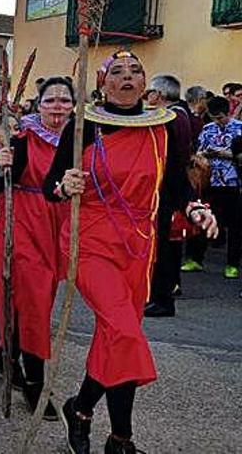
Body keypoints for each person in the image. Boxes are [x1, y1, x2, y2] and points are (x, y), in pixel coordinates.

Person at [43, 51, 217, 454]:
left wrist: (194, 207)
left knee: (115, 336)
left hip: (140, 243)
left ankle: (84, 410)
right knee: (124, 331)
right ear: (103, 83)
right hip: (90, 239)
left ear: (146, 85)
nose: (127, 78)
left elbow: (174, 182)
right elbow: (53, 182)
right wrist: (64, 185)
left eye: (135, 72)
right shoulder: (86, 124)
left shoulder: (165, 127)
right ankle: (121, 439)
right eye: (117, 72)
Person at [0, 76, 74, 420]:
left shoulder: (78, 137)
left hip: (58, 227)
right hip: (22, 225)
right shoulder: (23, 138)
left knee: (38, 301)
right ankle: (36, 383)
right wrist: (1, 164)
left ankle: (5, 351)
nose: (57, 107)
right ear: (39, 105)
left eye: (64, 100)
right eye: (50, 100)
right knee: (34, 303)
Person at [143, 75, 193, 317]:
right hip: (173, 187)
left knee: (163, 245)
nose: (147, 97)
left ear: (159, 94)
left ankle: (162, 297)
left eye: (149, 92)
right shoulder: (182, 114)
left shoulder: (170, 117)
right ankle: (167, 290)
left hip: (167, 188)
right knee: (169, 245)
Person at [181, 96, 242, 279]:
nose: (218, 120)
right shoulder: (207, 129)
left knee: (235, 226)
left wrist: (223, 153)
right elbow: (199, 151)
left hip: (232, 182)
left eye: (221, 117)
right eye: (214, 117)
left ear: (228, 113)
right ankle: (195, 259)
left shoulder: (239, 128)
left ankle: (232, 264)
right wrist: (203, 154)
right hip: (208, 180)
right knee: (201, 218)